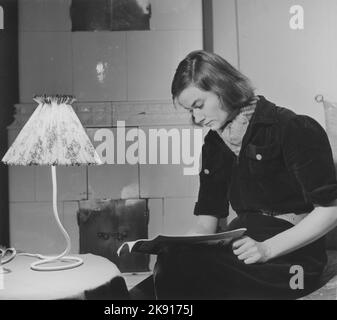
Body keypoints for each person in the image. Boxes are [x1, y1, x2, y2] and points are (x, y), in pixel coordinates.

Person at [132, 50, 337, 300]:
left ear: (223, 88)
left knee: (182, 277)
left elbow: (331, 209)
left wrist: (266, 249)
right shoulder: (214, 144)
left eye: (198, 105)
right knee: (167, 267)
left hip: (292, 260)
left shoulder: (293, 127)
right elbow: (206, 224)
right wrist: (175, 246)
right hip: (241, 246)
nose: (196, 118)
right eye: (190, 111)